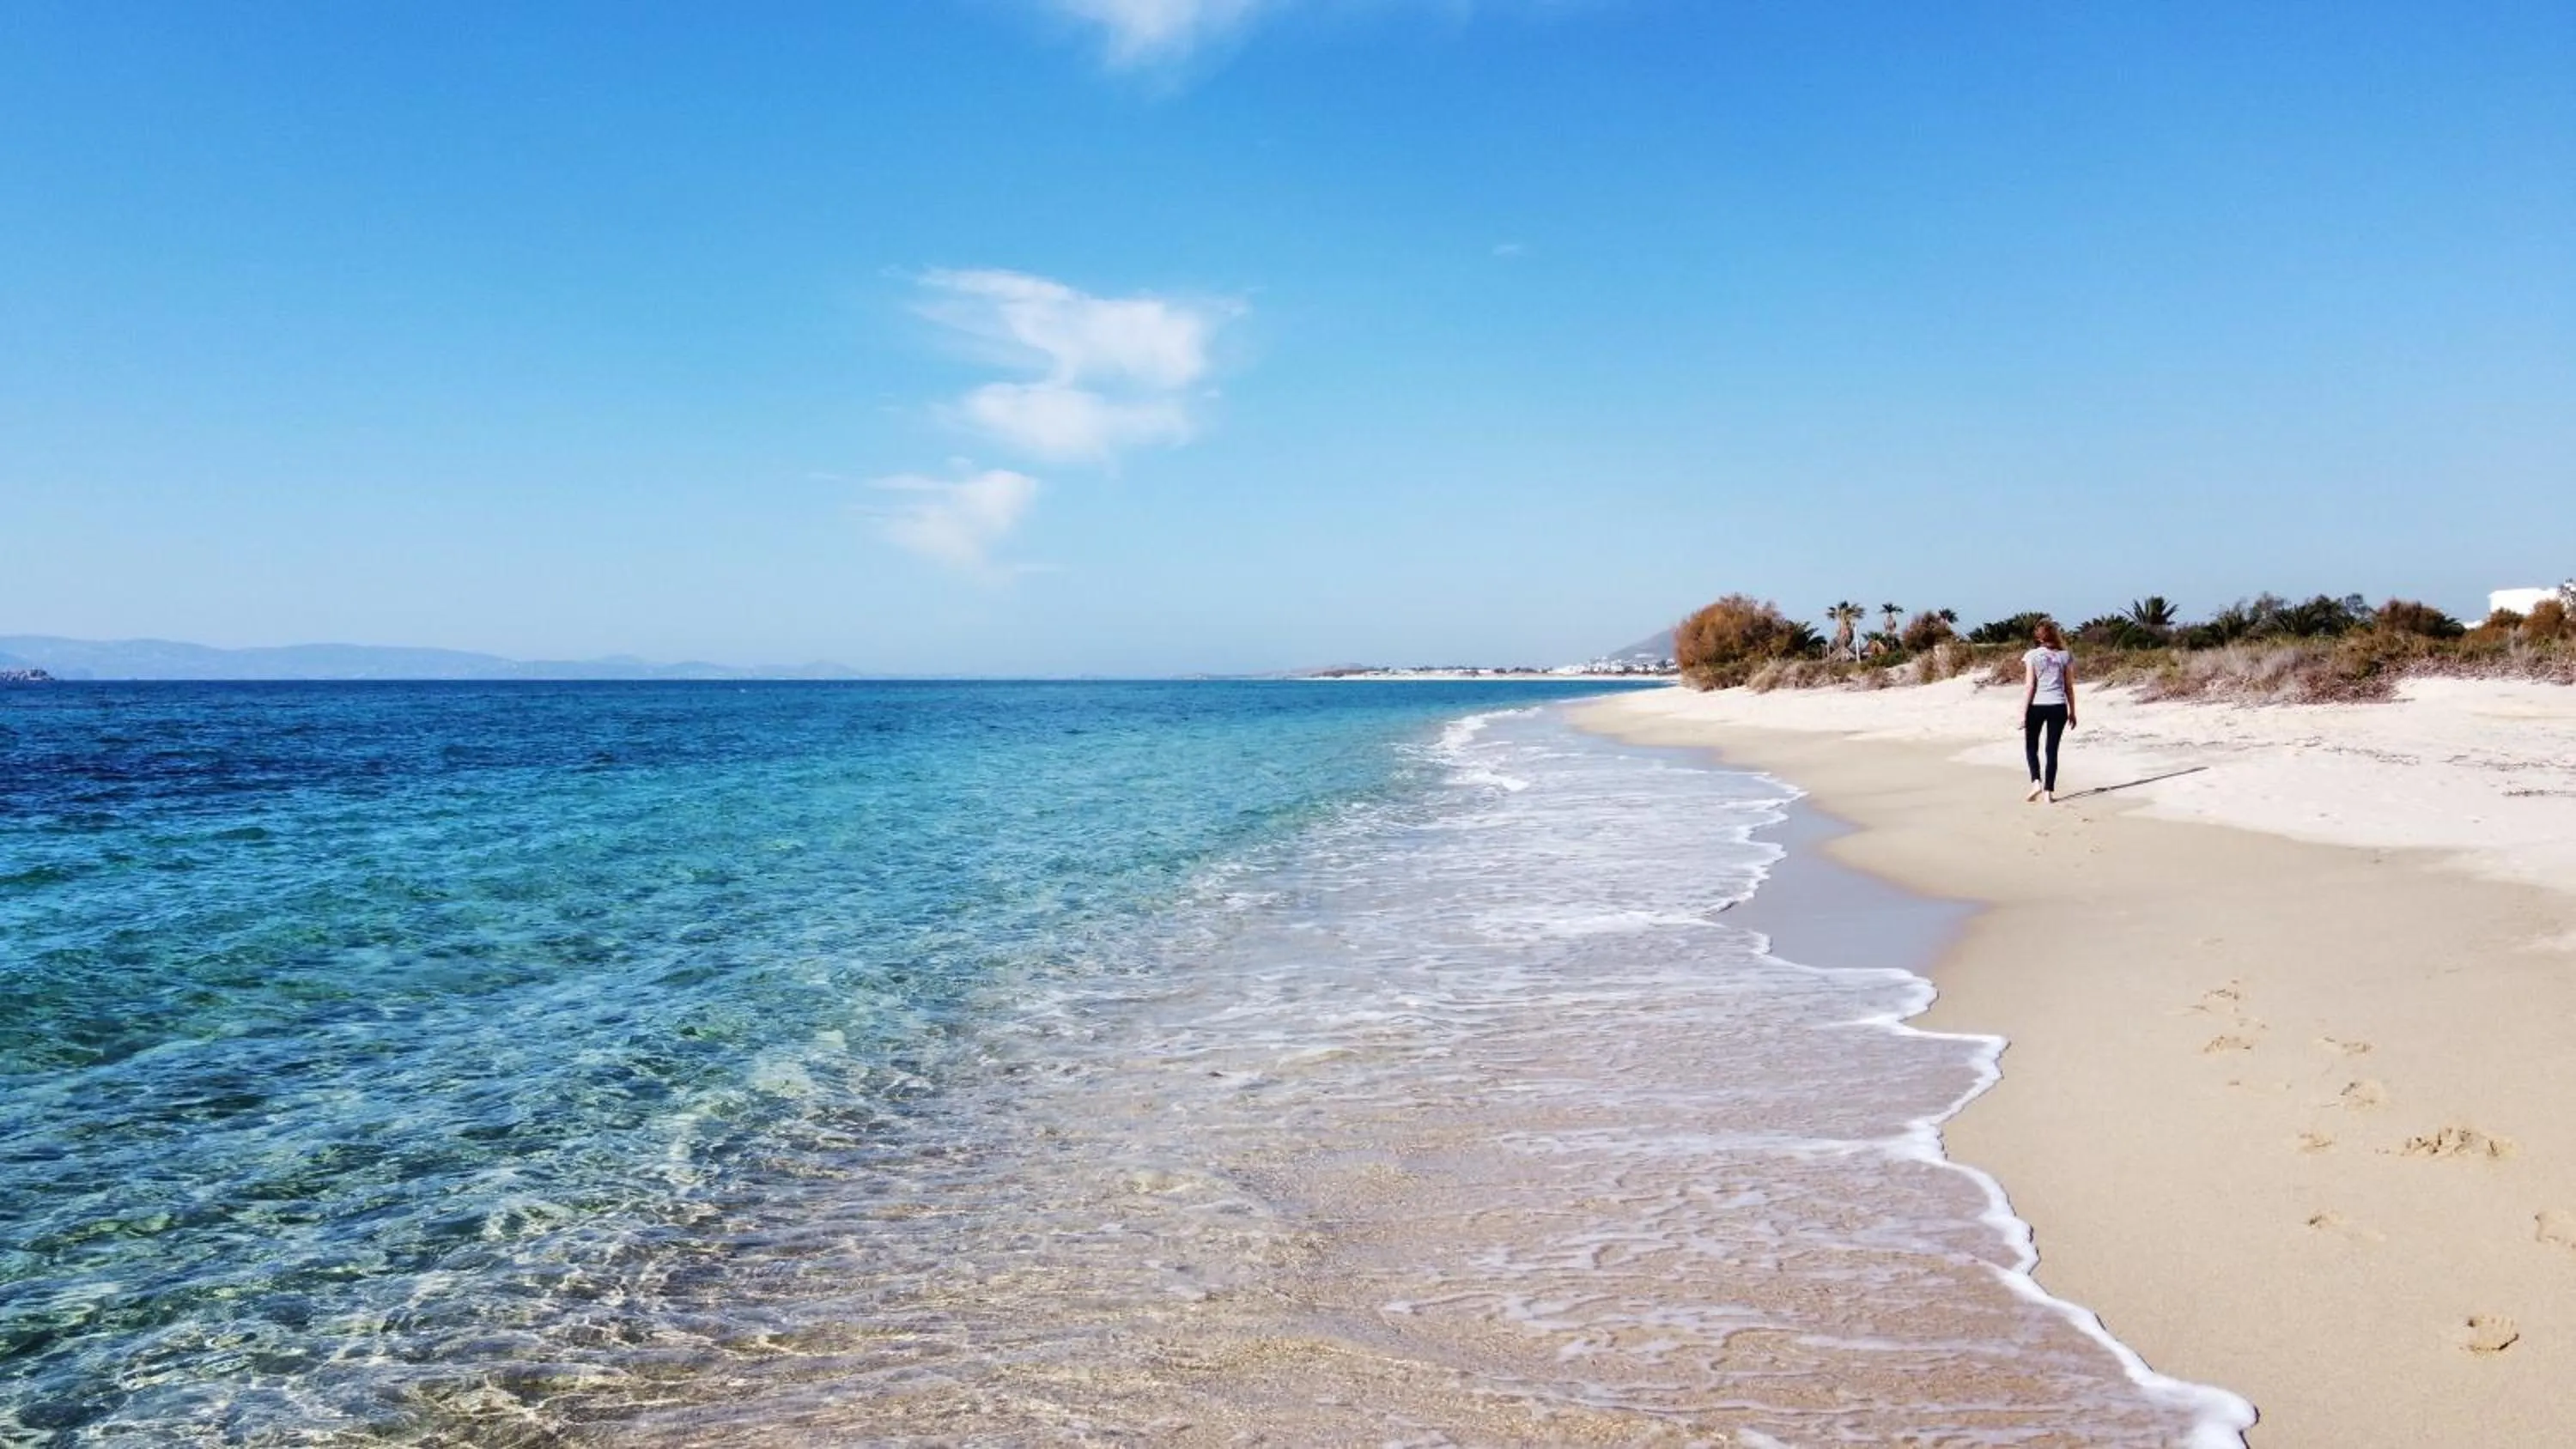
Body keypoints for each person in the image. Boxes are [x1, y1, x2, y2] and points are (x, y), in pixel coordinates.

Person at [2021, 621, 2076, 803]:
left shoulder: (2031, 655)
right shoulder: (2065, 656)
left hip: (2037, 706)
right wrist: (2073, 711)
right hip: (2058, 706)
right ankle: (2048, 792)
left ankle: (2036, 781)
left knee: (2031, 746)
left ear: (2038, 637)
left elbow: (2030, 686)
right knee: (2051, 750)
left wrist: (2023, 713)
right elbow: (2069, 686)